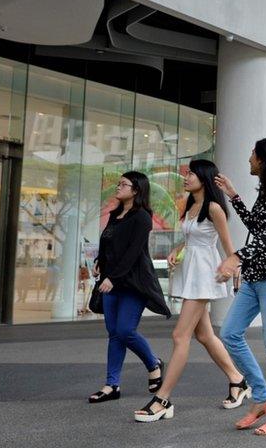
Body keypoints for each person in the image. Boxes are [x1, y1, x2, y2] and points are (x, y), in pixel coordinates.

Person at [133, 159, 249, 422]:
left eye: (192, 174)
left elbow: (228, 246)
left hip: (205, 275)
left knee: (179, 335)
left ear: (204, 177)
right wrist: (177, 249)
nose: (186, 178)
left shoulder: (215, 208)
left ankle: (162, 399)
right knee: (205, 336)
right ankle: (237, 380)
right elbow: (190, 237)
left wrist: (236, 273)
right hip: (191, 271)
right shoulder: (190, 205)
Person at [214, 138, 266, 436]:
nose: (249, 158)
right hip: (255, 276)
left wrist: (235, 257)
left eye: (253, 153)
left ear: (264, 159)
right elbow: (257, 228)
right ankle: (263, 399)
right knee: (230, 333)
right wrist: (235, 196)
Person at [88, 171, 170, 404]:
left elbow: (134, 253)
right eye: (119, 183)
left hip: (133, 283)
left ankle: (153, 363)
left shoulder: (142, 217)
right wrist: (99, 262)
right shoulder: (115, 215)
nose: (118, 187)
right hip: (110, 281)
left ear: (136, 190)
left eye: (124, 184)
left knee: (125, 331)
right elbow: (108, 244)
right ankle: (111, 385)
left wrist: (112, 277)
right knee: (114, 333)